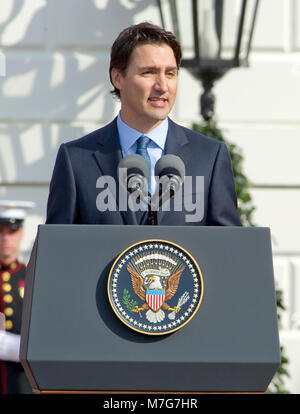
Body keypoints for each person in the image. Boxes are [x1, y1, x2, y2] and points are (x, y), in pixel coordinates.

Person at [46, 22, 241, 226]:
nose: (163, 86)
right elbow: (58, 250)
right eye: (148, 72)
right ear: (117, 78)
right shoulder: (76, 159)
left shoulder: (209, 157)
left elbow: (228, 250)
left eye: (170, 73)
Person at [0, 200, 35, 394]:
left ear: (21, 233)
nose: (6, 238)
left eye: (11, 232)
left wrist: (13, 346)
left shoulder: (32, 277)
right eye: (1, 231)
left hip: (23, 381)